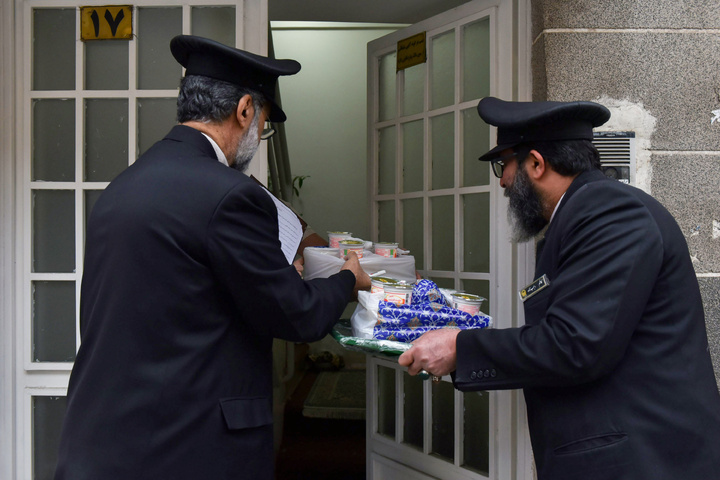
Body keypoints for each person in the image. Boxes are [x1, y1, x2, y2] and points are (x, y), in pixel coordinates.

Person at [54, 35, 370, 480]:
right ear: (244, 110)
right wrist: (346, 279)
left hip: (103, 442)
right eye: (263, 123)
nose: (259, 136)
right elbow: (296, 316)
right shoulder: (231, 196)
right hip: (186, 448)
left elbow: (182, 295)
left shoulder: (121, 187)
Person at [399, 97, 720, 479]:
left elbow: (574, 344)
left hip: (645, 461)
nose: (502, 181)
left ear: (536, 163)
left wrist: (458, 347)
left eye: (505, 165)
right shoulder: (583, 214)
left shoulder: (610, 213)